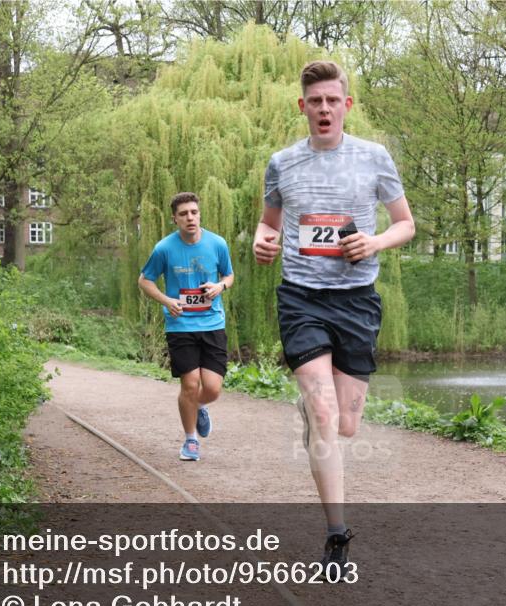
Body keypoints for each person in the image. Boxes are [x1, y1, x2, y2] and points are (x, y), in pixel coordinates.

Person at [253, 61, 415, 571]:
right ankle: (337, 534)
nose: (324, 108)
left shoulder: (374, 158)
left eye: (332, 100)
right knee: (323, 414)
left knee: (346, 425)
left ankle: (320, 412)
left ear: (347, 105)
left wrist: (375, 241)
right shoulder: (282, 163)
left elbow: (406, 224)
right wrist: (261, 242)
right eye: (314, 101)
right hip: (301, 298)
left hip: (357, 300)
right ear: (302, 107)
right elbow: (268, 226)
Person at [139, 192, 234, 462]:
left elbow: (229, 275)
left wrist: (220, 286)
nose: (190, 217)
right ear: (175, 219)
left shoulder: (217, 244)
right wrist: (167, 300)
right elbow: (144, 281)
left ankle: (200, 406)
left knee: (213, 388)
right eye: (183, 214)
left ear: (199, 214)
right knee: (190, 385)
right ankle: (191, 440)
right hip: (180, 325)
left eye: (193, 212)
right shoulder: (164, 249)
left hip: (212, 322)